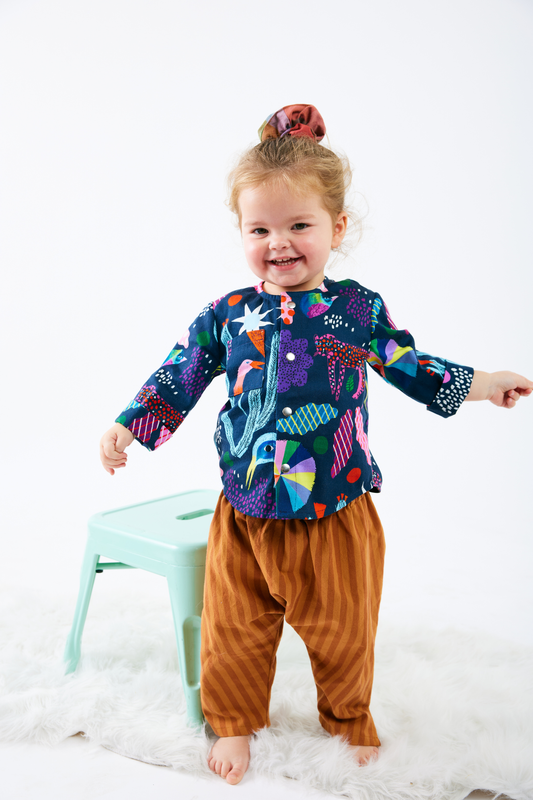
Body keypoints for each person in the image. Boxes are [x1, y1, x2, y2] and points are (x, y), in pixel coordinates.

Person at [99, 104, 532, 785]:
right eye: (260, 229)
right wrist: (130, 424)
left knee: (343, 631)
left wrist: (483, 384)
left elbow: (412, 366)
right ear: (242, 231)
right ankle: (234, 718)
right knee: (233, 629)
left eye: (298, 225)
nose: (279, 243)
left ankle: (347, 714)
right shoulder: (228, 315)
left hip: (335, 509)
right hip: (245, 510)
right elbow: (179, 372)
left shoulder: (356, 311)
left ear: (337, 227)